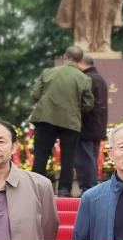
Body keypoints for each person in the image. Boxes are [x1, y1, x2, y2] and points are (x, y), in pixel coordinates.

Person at [29, 46, 94, 196]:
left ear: (65, 57)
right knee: (68, 157)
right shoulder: (84, 79)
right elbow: (88, 104)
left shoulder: (48, 72)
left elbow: (35, 95)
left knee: (41, 155)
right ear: (80, 60)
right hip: (70, 121)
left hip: (45, 118)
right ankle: (64, 190)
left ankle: (36, 189)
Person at [76, 54, 109, 192]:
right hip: (97, 126)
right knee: (91, 158)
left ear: (81, 63)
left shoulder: (87, 79)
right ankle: (91, 188)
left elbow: (86, 104)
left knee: (84, 159)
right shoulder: (99, 78)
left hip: (86, 126)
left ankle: (88, 189)